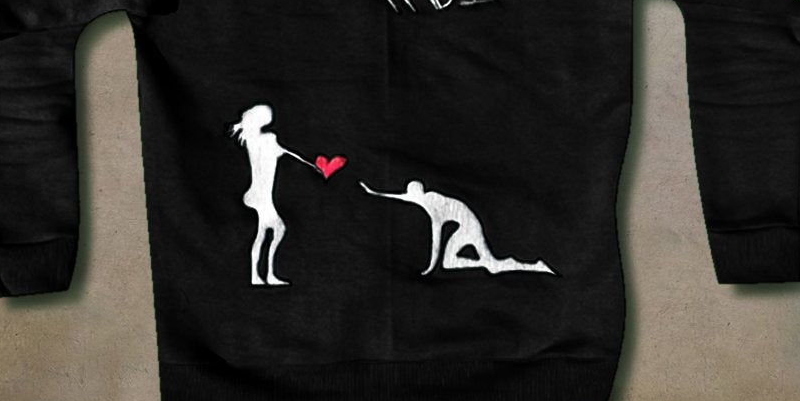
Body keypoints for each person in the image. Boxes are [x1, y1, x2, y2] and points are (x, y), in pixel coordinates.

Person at [359, 179, 559, 277]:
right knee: (453, 263)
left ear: (419, 191)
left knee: (483, 265)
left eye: (412, 193)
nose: (411, 196)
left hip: (470, 226)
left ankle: (528, 265)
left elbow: (437, 236)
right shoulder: (422, 197)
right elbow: (401, 197)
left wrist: (431, 265)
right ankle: (518, 265)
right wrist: (372, 192)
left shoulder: (433, 205)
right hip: (465, 225)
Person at [228, 103, 320, 285]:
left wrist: (308, 163)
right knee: (277, 229)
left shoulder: (252, 140)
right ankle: (265, 274)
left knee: (265, 232)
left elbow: (286, 152)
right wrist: (311, 165)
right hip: (262, 196)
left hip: (257, 193)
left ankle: (259, 275)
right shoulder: (269, 139)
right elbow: (286, 152)